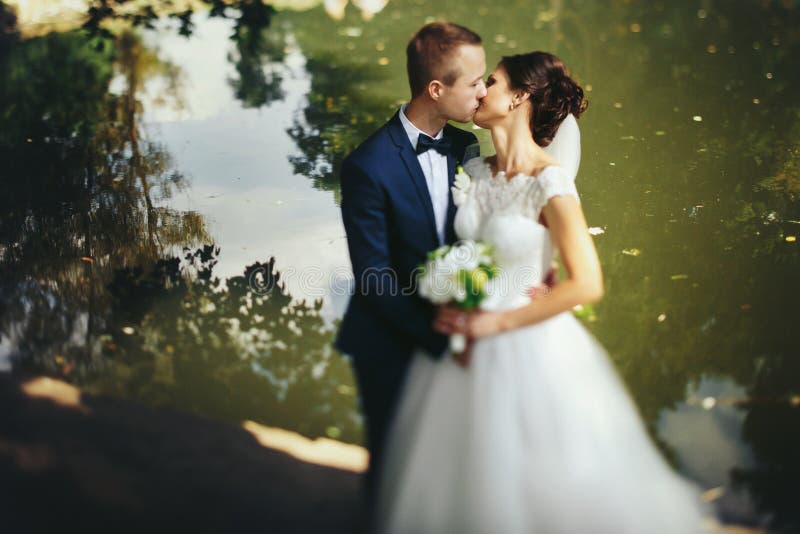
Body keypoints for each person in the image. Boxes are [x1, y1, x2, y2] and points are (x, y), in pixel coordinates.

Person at [373, 52, 710, 533]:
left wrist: (496, 322)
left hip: (522, 342)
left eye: (491, 81)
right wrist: (450, 300)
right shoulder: (475, 168)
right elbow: (462, 250)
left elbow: (587, 282)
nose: (479, 89)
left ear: (518, 97)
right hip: (460, 342)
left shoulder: (549, 181)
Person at [334, 21, 486, 503]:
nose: (483, 92)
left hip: (452, 331)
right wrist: (439, 335)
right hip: (389, 339)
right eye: (475, 81)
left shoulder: (466, 148)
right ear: (436, 89)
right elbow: (375, 276)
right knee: (393, 464)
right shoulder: (367, 166)